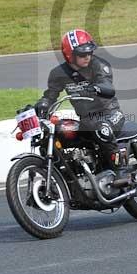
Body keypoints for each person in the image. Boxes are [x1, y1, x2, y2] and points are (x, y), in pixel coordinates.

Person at [33, 29, 125, 173]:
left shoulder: (99, 65)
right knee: (59, 133)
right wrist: (43, 104)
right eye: (82, 54)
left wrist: (96, 88)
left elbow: (108, 86)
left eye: (89, 52)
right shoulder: (58, 74)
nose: (87, 56)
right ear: (70, 55)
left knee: (102, 130)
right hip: (86, 120)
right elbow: (50, 95)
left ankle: (121, 171)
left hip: (110, 114)